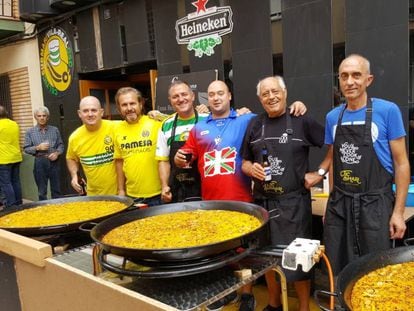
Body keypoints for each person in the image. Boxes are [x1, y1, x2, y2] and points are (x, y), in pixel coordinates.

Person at [175, 80, 307, 311]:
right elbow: (187, 152)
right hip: (212, 204)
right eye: (212, 94)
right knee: (216, 252)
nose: (216, 98)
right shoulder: (198, 127)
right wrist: (180, 157)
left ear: (229, 96)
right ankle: (223, 292)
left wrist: (297, 105)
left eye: (221, 93)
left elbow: (274, 112)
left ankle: (247, 294)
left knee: (246, 254)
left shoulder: (248, 119)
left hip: (243, 201)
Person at [309, 54, 410, 276]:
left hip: (375, 203)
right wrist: (331, 203)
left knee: (376, 268)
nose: (350, 81)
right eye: (344, 76)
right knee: (339, 264)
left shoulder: (388, 111)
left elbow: (401, 164)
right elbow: (336, 160)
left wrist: (398, 212)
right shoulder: (333, 117)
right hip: (340, 204)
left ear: (368, 80)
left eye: (356, 75)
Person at [241, 76, 326, 311]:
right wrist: (252, 169)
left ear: (285, 93)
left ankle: (303, 307)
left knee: (300, 260)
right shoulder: (255, 124)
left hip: (294, 204)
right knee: (267, 257)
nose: (271, 97)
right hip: (263, 204)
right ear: (260, 98)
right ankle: (274, 302)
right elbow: (244, 162)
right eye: (266, 93)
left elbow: (333, 142)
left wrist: (319, 172)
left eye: (275, 91)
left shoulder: (301, 119)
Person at [155, 80, 208, 203]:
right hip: (178, 191)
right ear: (170, 101)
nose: (180, 99)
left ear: (193, 96)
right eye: (175, 97)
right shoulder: (166, 125)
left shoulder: (207, 120)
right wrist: (164, 186)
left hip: (204, 189)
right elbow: (163, 160)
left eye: (184, 94)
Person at [113, 87, 162, 206]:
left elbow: (180, 118)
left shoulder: (156, 122)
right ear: (119, 108)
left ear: (140, 104)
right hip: (133, 197)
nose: (129, 108)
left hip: (159, 194)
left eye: (132, 103)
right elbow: (119, 162)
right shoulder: (117, 129)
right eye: (124, 105)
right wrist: (121, 190)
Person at [66, 96, 118, 196]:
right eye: (85, 111)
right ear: (79, 114)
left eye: (94, 110)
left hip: (121, 194)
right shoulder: (75, 137)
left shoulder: (116, 127)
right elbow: (71, 158)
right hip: (94, 196)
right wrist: (74, 175)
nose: (90, 114)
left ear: (101, 112)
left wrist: (154, 115)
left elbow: (135, 125)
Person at [23, 107, 64, 200]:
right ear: (35, 117)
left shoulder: (55, 130)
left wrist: (57, 153)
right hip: (40, 162)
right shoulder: (30, 132)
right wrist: (38, 147)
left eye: (44, 116)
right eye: (39, 116)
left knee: (56, 190)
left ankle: (58, 211)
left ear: (48, 117)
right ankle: (44, 212)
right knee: (42, 191)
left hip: (54, 162)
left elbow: (61, 145)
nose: (42, 118)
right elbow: (26, 148)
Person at [0, 106, 23, 208]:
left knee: (6, 183)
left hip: (3, 159)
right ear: (7, 113)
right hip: (16, 157)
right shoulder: (14, 124)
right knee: (16, 182)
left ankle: (11, 206)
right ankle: (19, 204)